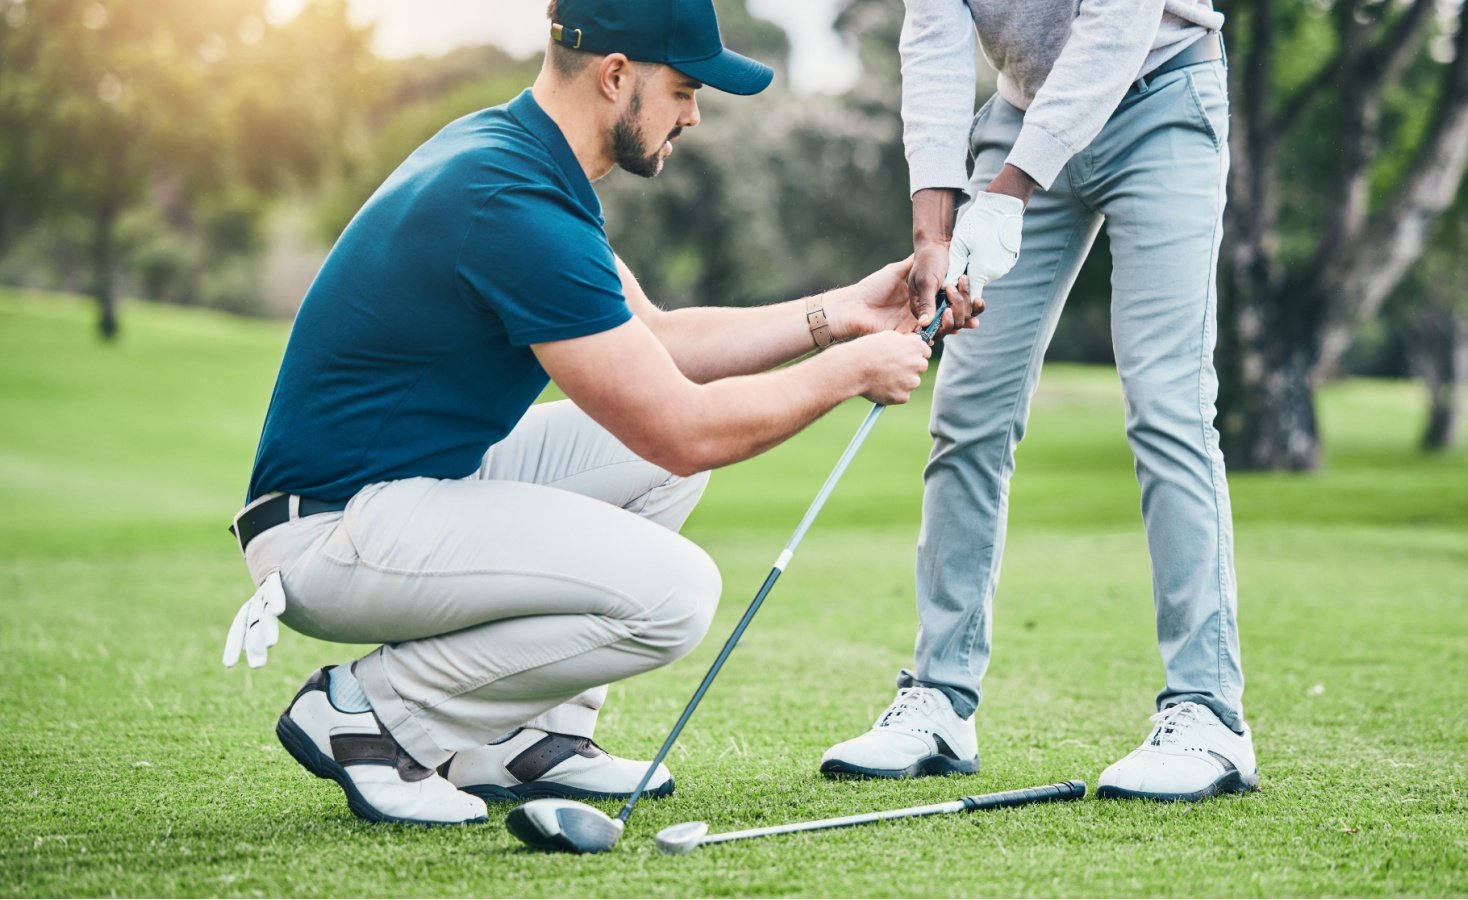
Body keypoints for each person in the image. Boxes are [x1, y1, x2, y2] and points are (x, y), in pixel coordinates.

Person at [223, 0, 951, 827]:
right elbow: (685, 423)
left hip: (397, 495)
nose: (694, 113)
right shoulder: (515, 206)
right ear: (615, 77)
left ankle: (524, 737)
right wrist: (849, 371)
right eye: (681, 89)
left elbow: (658, 341)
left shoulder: (517, 160)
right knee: (676, 594)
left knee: (666, 471)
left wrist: (845, 311)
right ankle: (374, 714)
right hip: (333, 532)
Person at [820, 0, 1259, 802]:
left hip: (1159, 99)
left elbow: (1119, 27)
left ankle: (1209, 713)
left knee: (1167, 407)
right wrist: (933, 229)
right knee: (967, 414)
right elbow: (934, 38)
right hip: (1019, 116)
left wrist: (1011, 192)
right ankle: (940, 700)